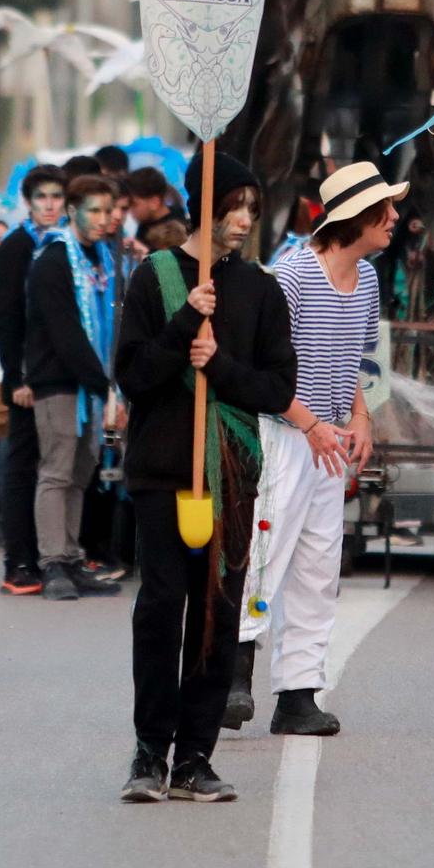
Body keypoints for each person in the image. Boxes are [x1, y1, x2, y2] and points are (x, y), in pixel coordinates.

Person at [116, 151, 297, 804]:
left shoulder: (261, 290)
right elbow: (132, 374)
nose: (244, 219)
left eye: (252, 206)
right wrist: (185, 320)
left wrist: (218, 363)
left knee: (217, 613)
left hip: (233, 474)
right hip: (163, 472)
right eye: (233, 205)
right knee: (162, 608)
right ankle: (149, 751)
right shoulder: (154, 278)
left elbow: (278, 387)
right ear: (204, 203)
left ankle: (196, 754)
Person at [226, 161, 401, 737]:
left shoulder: (369, 279)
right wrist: (309, 424)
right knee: (264, 553)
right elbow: (264, 371)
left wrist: (358, 415)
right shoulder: (292, 276)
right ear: (357, 217)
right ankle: (234, 677)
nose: (395, 218)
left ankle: (298, 695)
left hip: (328, 441)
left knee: (319, 566)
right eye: (386, 209)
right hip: (284, 434)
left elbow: (353, 359)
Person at [24, 175, 125, 601]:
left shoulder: (104, 258)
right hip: (61, 383)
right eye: (95, 210)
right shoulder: (54, 259)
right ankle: (52, 564)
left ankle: (71, 555)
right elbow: (65, 334)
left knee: (81, 473)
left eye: (109, 210)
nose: (105, 220)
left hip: (94, 384)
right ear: (73, 211)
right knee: (57, 471)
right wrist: (105, 387)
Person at [0, 165, 67, 595]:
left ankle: (50, 554)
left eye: (57, 197)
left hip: (58, 375)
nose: (51, 205)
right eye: (42, 197)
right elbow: (5, 316)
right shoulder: (19, 245)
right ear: (29, 201)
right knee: (22, 467)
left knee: (57, 468)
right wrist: (16, 374)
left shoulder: (66, 245)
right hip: (24, 377)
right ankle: (17, 559)